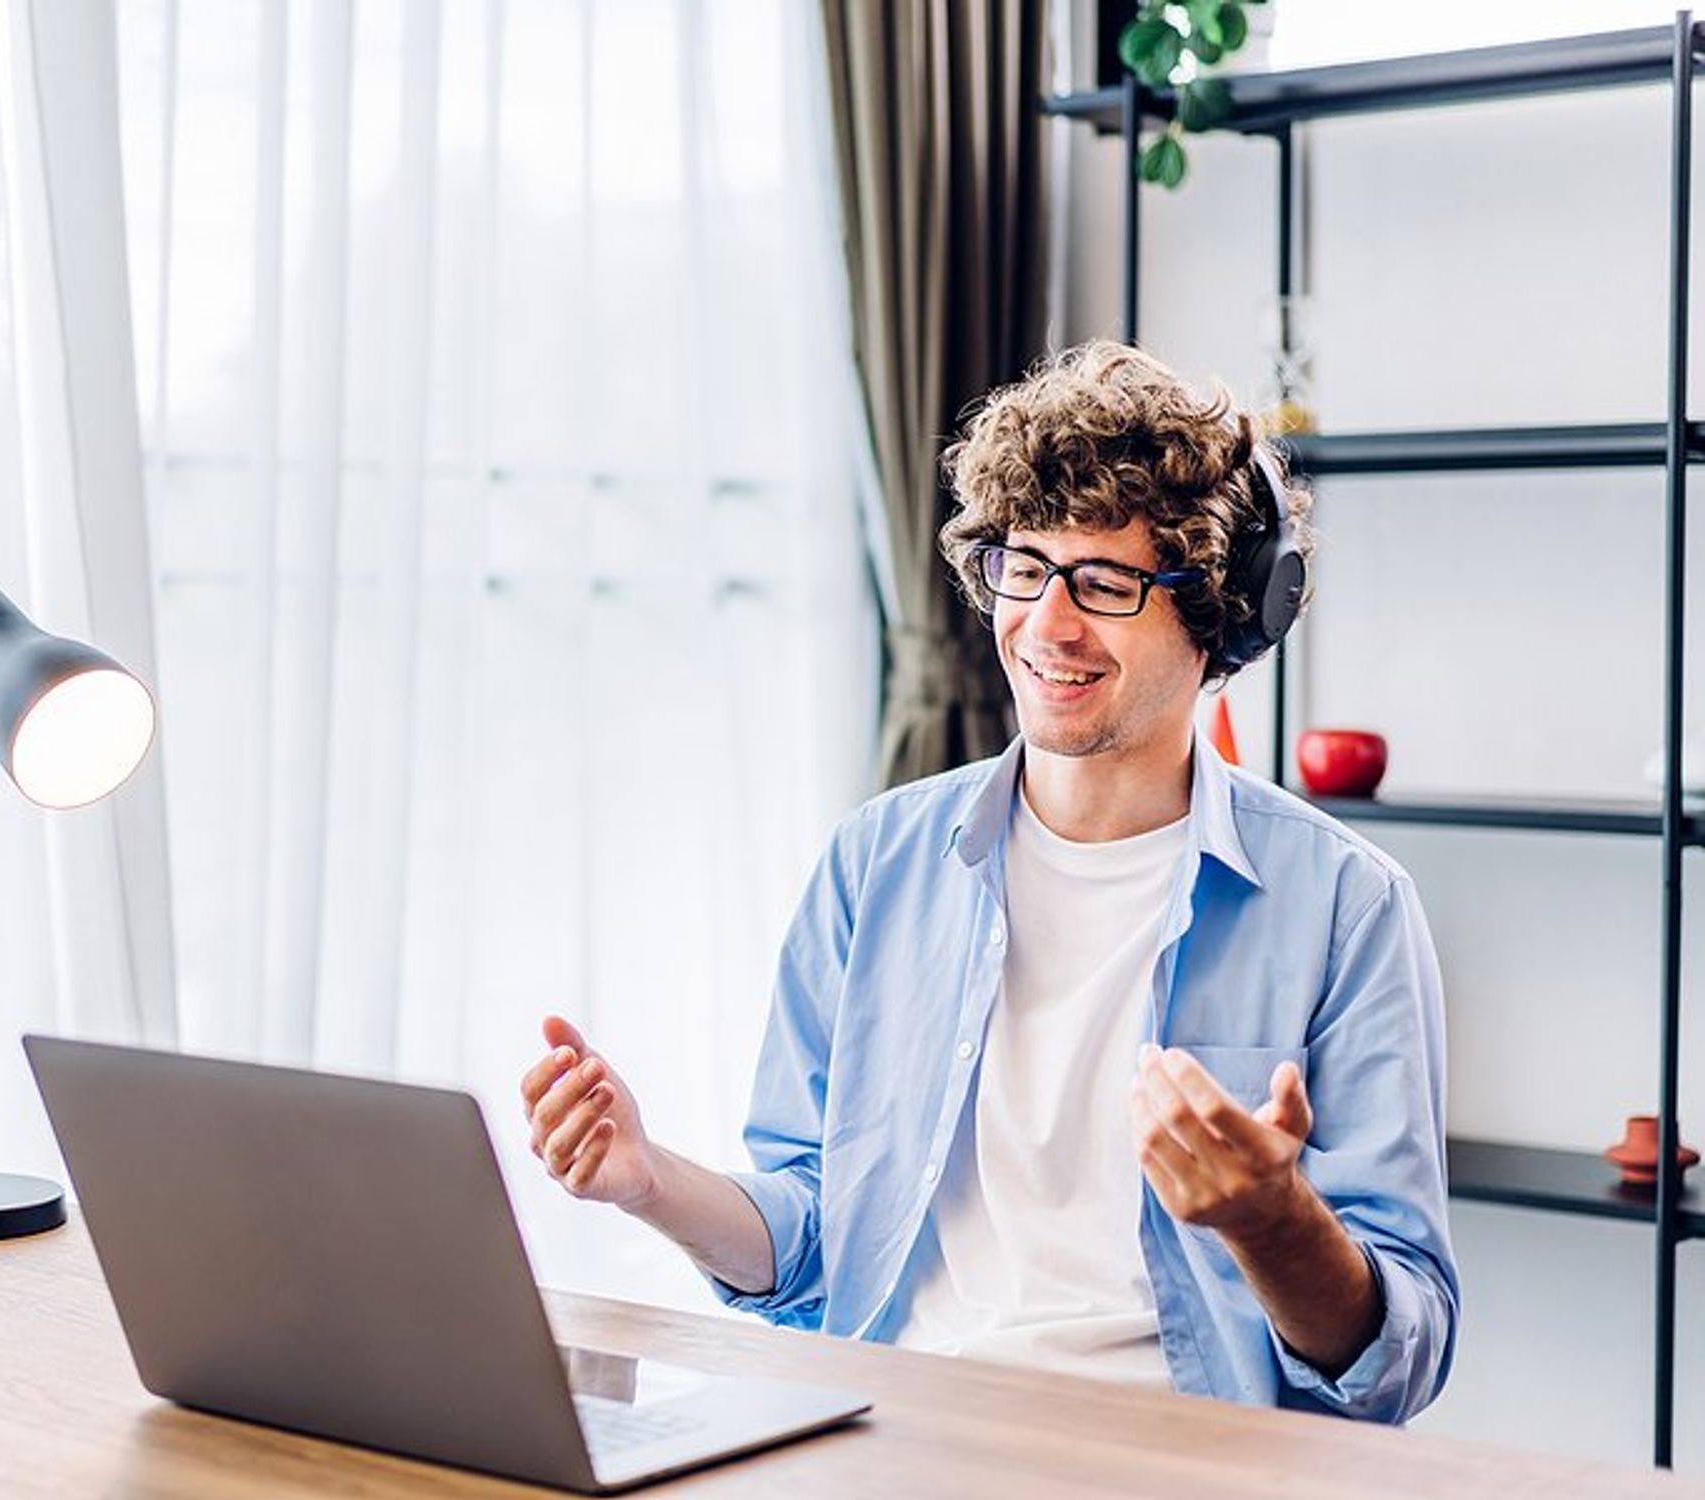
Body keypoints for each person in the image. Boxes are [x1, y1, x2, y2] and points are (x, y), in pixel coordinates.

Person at [519, 340, 1457, 1423]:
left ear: (1217, 615)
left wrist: (1269, 1221)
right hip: (892, 1435)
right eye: (1024, 568)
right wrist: (645, 1180)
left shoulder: (1345, 907)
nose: (1045, 625)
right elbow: (820, 1247)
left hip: (1177, 1457)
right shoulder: (873, 865)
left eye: (1103, 583)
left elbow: (1395, 1361)